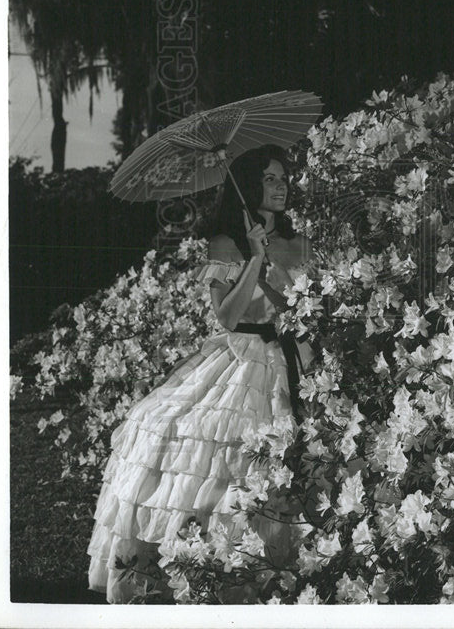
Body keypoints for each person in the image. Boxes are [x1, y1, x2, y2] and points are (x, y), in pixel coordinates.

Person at [87, 144, 313, 603]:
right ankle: (211, 575)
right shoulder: (225, 243)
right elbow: (228, 318)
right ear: (249, 186)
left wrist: (282, 280)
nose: (281, 185)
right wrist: (253, 258)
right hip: (241, 355)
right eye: (269, 178)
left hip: (297, 351)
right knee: (201, 441)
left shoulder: (299, 241)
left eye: (283, 177)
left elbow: (306, 307)